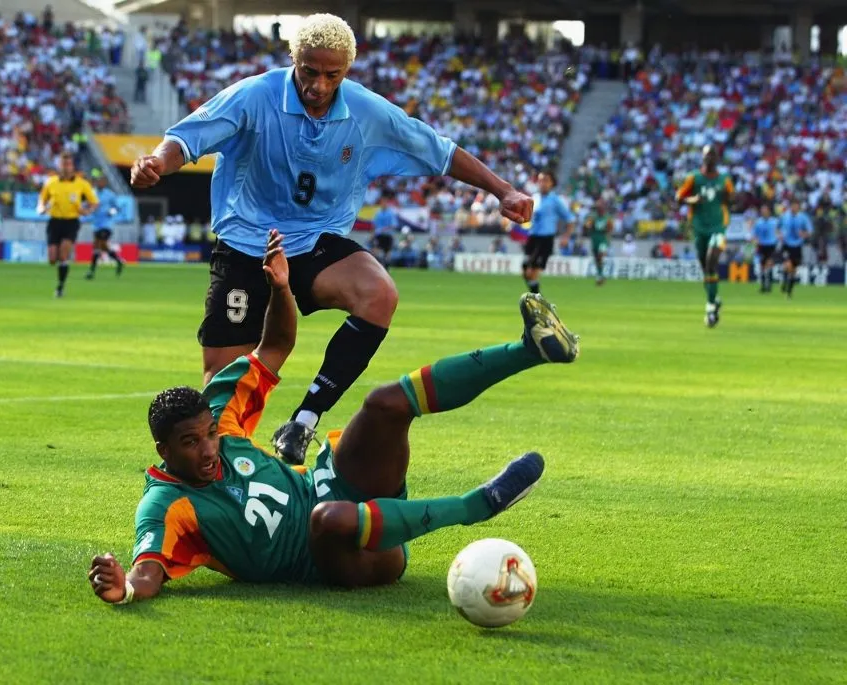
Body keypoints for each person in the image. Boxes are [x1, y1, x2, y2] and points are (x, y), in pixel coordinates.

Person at [87, 230, 579, 603]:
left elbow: (275, 344)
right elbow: (147, 571)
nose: (209, 448)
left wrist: (280, 287)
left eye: (210, 434)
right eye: (192, 443)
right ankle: (479, 505)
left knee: (385, 404)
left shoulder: (221, 412)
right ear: (164, 452)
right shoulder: (167, 505)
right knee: (328, 518)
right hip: (340, 556)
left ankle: (530, 350)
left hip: (336, 482)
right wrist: (124, 589)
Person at [129, 14, 533, 466]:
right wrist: (155, 164)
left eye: (331, 74)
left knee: (379, 294)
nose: (319, 85)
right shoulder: (254, 95)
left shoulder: (366, 111)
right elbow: (186, 139)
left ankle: (304, 420)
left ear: (347, 70)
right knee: (223, 389)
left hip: (314, 242)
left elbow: (438, 150)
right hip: (245, 245)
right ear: (293, 60)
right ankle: (227, 481)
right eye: (309, 71)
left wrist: (504, 190)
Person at [675, 145, 734, 328]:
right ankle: (714, 298)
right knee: (706, 269)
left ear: (717, 158)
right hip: (699, 228)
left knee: (711, 262)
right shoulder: (694, 178)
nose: (710, 159)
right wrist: (692, 200)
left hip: (718, 226)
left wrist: (730, 200)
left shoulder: (725, 180)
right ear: (702, 158)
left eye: (713, 156)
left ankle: (709, 309)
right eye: (707, 155)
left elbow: (732, 200)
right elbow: (678, 197)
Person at [38, 153, 98, 298]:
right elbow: (41, 200)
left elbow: (94, 202)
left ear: (72, 166)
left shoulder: (81, 183)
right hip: (54, 221)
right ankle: (61, 265)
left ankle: (60, 287)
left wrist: (87, 211)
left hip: (71, 222)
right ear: (59, 166)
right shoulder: (50, 182)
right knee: (52, 258)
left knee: (63, 255)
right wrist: (41, 209)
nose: (66, 167)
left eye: (68, 164)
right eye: (63, 164)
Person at [522, 171, 574, 294]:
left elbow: (570, 219)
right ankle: (537, 297)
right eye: (540, 180)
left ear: (552, 183)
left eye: (546, 180)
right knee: (525, 270)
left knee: (532, 271)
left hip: (546, 239)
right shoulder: (534, 198)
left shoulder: (555, 200)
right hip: (532, 237)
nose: (542, 183)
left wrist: (566, 237)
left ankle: (536, 299)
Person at [85, 169, 124, 280]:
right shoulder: (92, 193)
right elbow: (88, 205)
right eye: (98, 181)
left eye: (102, 181)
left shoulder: (110, 195)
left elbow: (117, 208)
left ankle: (91, 272)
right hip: (96, 224)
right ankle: (118, 261)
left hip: (107, 224)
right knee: (101, 247)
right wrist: (89, 209)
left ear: (105, 182)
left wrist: (111, 212)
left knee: (98, 244)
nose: (99, 183)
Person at [778, 198, 812, 298]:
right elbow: (777, 227)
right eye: (792, 205)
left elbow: (810, 231)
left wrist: (804, 234)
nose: (794, 207)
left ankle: (789, 290)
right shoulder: (784, 216)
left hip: (797, 246)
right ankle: (785, 282)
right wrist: (779, 234)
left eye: (796, 206)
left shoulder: (803, 218)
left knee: (793, 270)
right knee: (787, 265)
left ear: (798, 207)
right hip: (787, 244)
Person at [584, 197, 612, 285]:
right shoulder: (593, 216)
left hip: (602, 238)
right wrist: (587, 226)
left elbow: (610, 228)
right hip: (595, 238)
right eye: (598, 207)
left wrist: (608, 238)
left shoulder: (607, 217)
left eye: (601, 207)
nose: (600, 209)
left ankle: (600, 275)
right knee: (596, 258)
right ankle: (600, 275)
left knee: (600, 255)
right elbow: (587, 225)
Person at [751, 204, 778, 293]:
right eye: (762, 210)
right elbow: (755, 235)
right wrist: (755, 242)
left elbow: (779, 232)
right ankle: (763, 286)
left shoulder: (774, 222)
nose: (764, 212)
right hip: (762, 246)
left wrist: (779, 239)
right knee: (762, 266)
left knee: (769, 264)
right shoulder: (758, 222)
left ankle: (769, 286)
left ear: (769, 211)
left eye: (765, 210)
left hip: (771, 245)